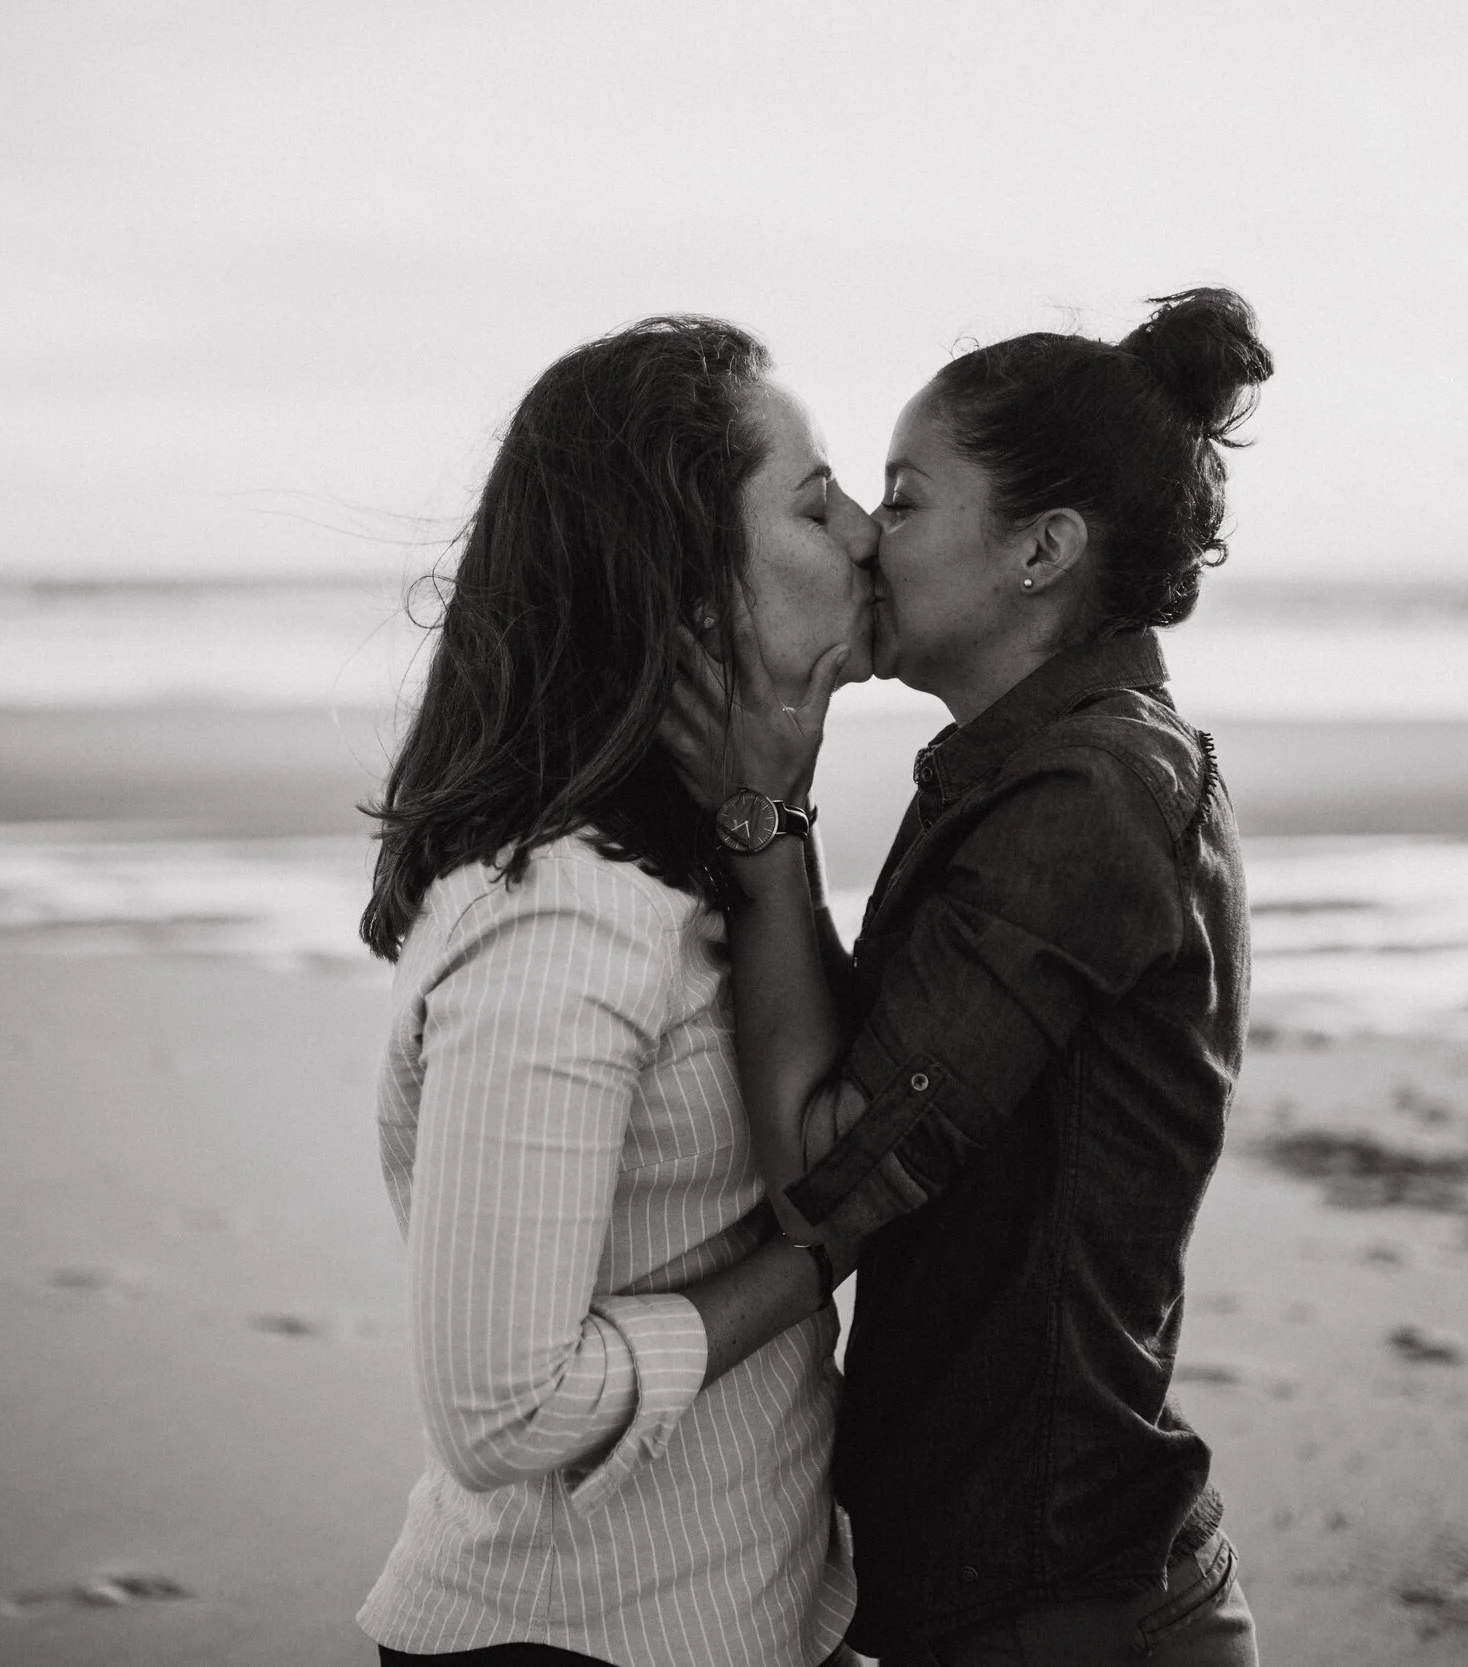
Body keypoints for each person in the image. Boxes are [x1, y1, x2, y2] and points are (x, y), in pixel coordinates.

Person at [660, 289, 1274, 1665]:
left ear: (1042, 550)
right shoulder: (1040, 768)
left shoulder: (1093, 797)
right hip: (1018, 1589)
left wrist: (762, 827)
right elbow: (868, 1081)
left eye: (907, 496)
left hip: (1065, 1613)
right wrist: (782, 816)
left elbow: (827, 1162)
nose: (871, 535)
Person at [355, 315, 879, 1667]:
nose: (869, 531)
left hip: (732, 1610)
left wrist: (773, 818)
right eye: (818, 501)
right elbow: (499, 1410)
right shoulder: (565, 918)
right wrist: (812, 1257)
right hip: (577, 1637)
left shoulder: (704, 858)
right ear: (689, 587)